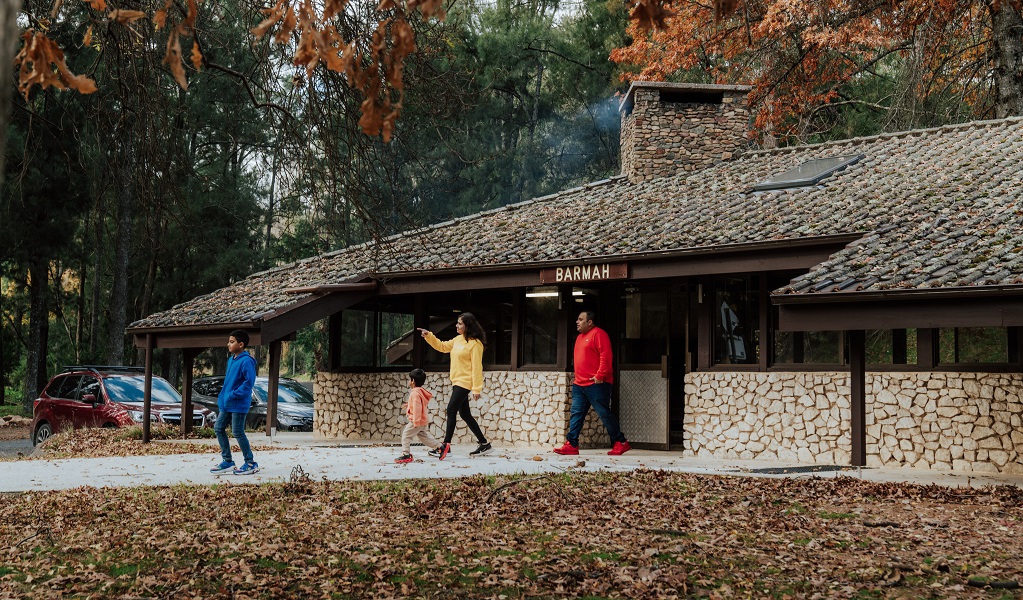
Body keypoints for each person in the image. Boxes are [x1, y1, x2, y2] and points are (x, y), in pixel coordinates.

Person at [554, 310, 631, 456]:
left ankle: (621, 442)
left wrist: (600, 375)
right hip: (580, 384)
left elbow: (606, 356)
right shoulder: (579, 338)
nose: (577, 321)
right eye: (577, 319)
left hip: (597, 384)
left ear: (589, 322)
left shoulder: (599, 334)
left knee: (604, 414)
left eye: (580, 319)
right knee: (576, 414)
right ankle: (572, 444)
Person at [418, 312, 492, 457]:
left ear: (468, 326)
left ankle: (446, 447)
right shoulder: (458, 340)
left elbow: (477, 367)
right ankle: (484, 444)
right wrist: (429, 336)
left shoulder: (475, 344)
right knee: (465, 414)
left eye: (460, 324)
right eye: (457, 323)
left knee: (451, 410)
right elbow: (442, 347)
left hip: (465, 382)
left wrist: (477, 388)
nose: (456, 326)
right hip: (456, 380)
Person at [210, 329, 260, 475]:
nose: (228, 344)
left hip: (238, 403)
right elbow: (229, 381)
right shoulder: (231, 360)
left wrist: (233, 394)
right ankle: (227, 461)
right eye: (229, 341)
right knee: (219, 428)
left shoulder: (247, 361)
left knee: (237, 431)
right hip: (227, 403)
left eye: (232, 342)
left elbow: (248, 382)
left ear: (241, 344)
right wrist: (224, 396)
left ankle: (250, 462)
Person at [395, 368, 448, 464]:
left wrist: (415, 421)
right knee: (424, 438)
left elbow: (417, 408)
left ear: (413, 381)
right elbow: (418, 404)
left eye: (409, 379)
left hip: (417, 420)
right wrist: (408, 405)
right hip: (422, 420)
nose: (408, 381)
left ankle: (406, 454)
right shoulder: (420, 392)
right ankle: (441, 447)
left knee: (406, 435)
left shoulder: (415, 393)